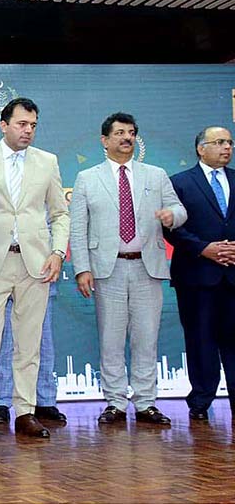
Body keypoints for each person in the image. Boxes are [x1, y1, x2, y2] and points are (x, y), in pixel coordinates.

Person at [71, 112, 186, 426]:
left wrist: (171, 216)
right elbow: (78, 230)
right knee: (110, 339)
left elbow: (179, 209)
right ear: (104, 140)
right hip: (107, 270)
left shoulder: (156, 174)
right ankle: (116, 404)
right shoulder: (87, 178)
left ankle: (147, 403)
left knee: (146, 338)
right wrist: (82, 268)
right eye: (120, 132)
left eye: (131, 132)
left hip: (147, 268)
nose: (127, 138)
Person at [0, 97, 69, 439]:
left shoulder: (47, 162)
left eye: (33, 125)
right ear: (4, 124)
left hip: (36, 264)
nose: (28, 130)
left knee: (29, 342)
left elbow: (59, 213)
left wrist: (57, 251)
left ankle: (25, 411)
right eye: (22, 124)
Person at [164, 126, 235, 421]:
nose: (227, 147)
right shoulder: (179, 183)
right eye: (219, 142)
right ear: (200, 148)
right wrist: (203, 248)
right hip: (196, 275)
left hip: (233, 273)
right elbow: (171, 228)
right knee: (199, 339)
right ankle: (201, 402)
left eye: (229, 142)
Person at [0, 288, 64, 425]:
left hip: (40, 276)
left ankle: (45, 401)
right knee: (5, 343)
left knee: (43, 341)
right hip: (4, 280)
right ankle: (2, 402)